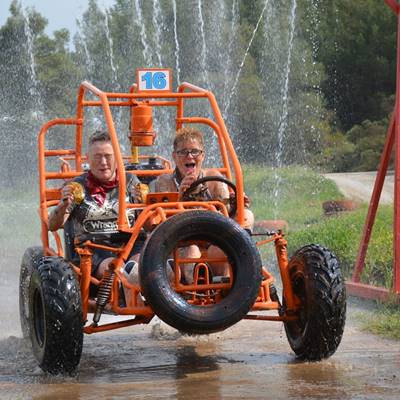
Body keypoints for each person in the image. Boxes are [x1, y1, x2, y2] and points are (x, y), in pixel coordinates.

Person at [153, 126, 254, 282]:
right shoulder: (165, 182)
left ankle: (243, 251)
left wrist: (237, 203)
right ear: (174, 156)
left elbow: (226, 213)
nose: (189, 156)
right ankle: (199, 287)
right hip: (182, 242)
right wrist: (181, 197)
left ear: (203, 155)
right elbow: (162, 224)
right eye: (183, 152)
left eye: (195, 151)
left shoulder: (213, 178)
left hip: (214, 238)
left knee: (246, 215)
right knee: (192, 251)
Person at [48, 130, 142, 280]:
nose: (103, 162)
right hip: (93, 249)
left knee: (146, 267)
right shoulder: (77, 186)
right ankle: (125, 299)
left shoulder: (131, 181)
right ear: (88, 159)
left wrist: (143, 204)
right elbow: (52, 225)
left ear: (117, 158)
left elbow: (149, 225)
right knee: (117, 270)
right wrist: (63, 205)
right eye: (97, 157)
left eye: (108, 156)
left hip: (129, 245)